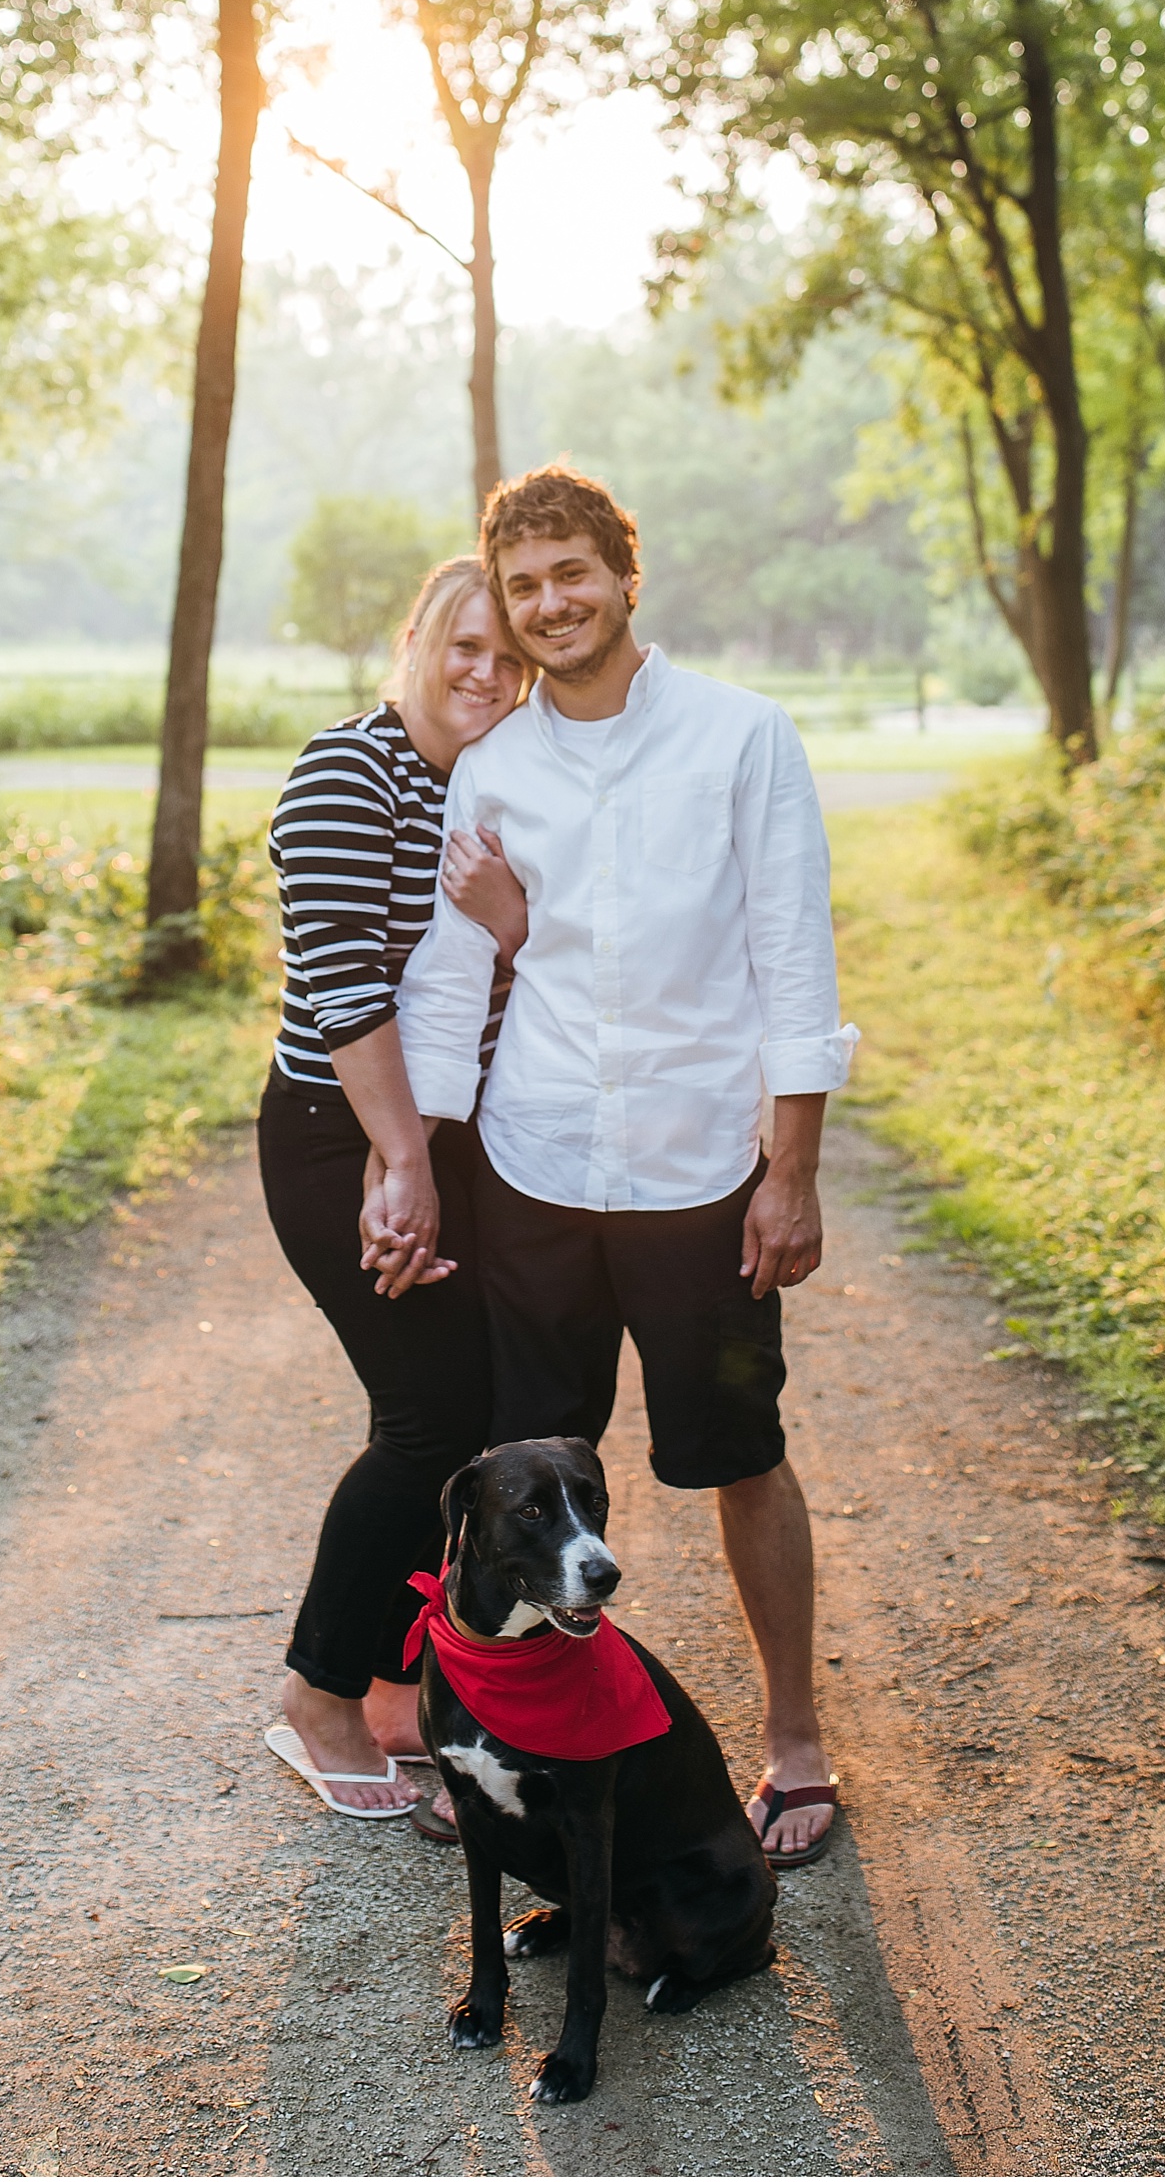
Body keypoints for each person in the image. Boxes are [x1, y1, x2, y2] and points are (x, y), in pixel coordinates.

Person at [387, 465, 854, 1867]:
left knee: (739, 1454)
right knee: (520, 1490)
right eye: (522, 584)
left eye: (571, 572)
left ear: (624, 573)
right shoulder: (499, 767)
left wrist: (792, 1168)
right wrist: (412, 1163)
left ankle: (792, 1737)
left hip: (699, 1174)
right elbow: (448, 977)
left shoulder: (740, 736)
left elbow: (794, 958)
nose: (549, 603)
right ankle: (503, 1740)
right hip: (533, 1174)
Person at [259, 556, 531, 1819]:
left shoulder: (482, 784)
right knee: (425, 1417)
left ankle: (382, 1684)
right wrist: (401, 1164)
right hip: (336, 1133)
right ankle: (315, 1691)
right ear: (415, 639)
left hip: (435, 1139)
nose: (486, 673)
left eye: (509, 658)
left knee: (463, 1407)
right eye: (463, 646)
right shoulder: (344, 771)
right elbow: (344, 990)